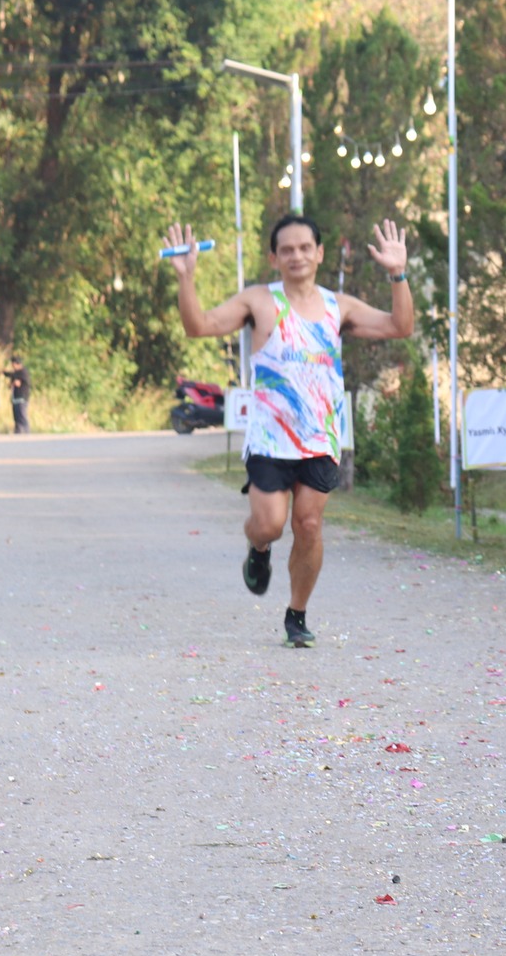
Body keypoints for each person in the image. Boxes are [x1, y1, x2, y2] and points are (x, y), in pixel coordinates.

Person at [165, 214, 413, 649]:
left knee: (310, 524)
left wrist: (398, 274)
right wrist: (187, 278)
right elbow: (198, 325)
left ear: (319, 253)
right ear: (274, 257)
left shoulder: (340, 307)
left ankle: (297, 615)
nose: (296, 255)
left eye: (305, 248)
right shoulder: (259, 301)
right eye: (287, 249)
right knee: (270, 524)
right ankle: (258, 549)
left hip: (320, 437)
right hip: (269, 439)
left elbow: (400, 326)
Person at [5, 354, 32, 435]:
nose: (13, 366)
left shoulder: (24, 372)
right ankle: (18, 433)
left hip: (22, 397)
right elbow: (10, 377)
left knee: (22, 415)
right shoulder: (15, 373)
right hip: (15, 397)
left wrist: (16, 383)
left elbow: (21, 383)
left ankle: (27, 432)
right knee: (16, 417)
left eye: (13, 364)